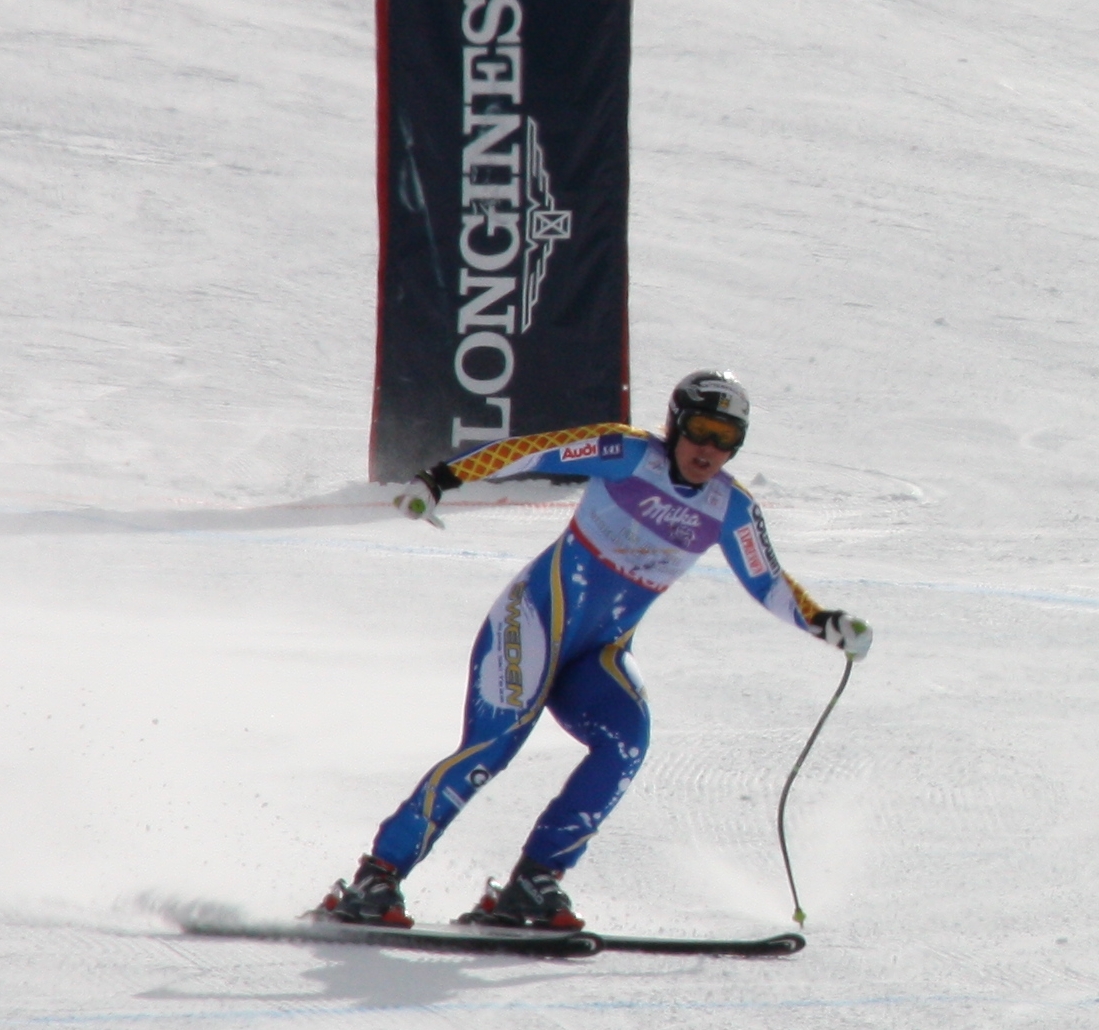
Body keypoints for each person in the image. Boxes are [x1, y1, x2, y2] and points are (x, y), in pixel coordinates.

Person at [312, 371, 872, 930]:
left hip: (597, 653)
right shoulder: (626, 453)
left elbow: (768, 582)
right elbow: (531, 452)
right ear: (675, 424)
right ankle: (378, 875)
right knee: (494, 747)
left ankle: (535, 881)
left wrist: (824, 623)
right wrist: (440, 479)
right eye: (700, 430)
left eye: (725, 438)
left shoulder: (731, 508)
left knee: (626, 743)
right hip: (531, 623)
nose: (708, 449)